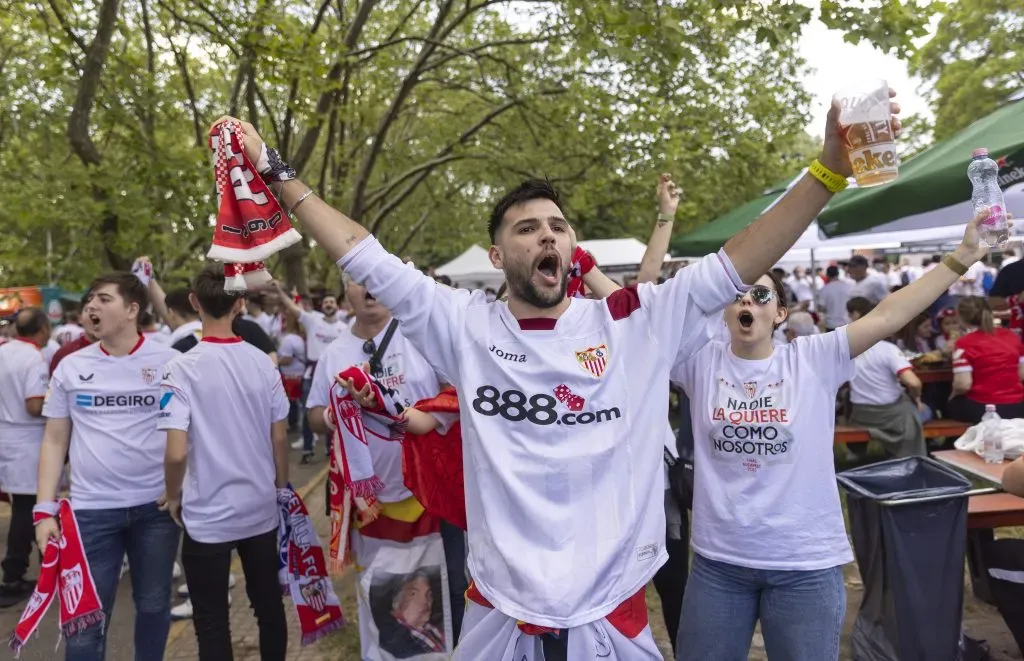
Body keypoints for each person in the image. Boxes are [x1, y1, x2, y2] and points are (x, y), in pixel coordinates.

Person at [213, 94, 895, 657]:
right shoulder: (464, 324)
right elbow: (364, 252)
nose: (548, 235)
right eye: (528, 226)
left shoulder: (634, 322)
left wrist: (827, 171)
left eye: (558, 226)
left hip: (612, 616)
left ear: (572, 250)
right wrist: (275, 169)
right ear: (497, 251)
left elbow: (743, 257)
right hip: (499, 614)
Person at [669, 211, 994, 661]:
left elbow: (889, 314)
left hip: (804, 566)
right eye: (737, 294)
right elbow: (641, 318)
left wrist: (963, 256)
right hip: (719, 566)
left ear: (780, 312)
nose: (748, 302)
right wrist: (590, 266)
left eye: (760, 294)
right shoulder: (698, 362)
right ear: (725, 308)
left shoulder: (813, 358)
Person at [305, 273, 465, 655]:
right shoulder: (335, 352)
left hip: (429, 493)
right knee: (378, 587)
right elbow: (312, 414)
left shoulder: (419, 335)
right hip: (369, 503)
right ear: (346, 290)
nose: (368, 289)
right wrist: (334, 414)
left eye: (372, 279)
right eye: (357, 281)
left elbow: (456, 390)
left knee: (444, 586)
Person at [36, 272, 180, 661]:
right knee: (85, 621)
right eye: (88, 301)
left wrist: (181, 487)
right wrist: (43, 510)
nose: (91, 307)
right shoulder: (70, 366)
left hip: (157, 510)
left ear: (132, 310)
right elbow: (54, 440)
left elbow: (189, 431)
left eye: (103, 299)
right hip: (90, 513)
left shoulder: (170, 360)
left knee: (153, 606)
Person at [158, 266, 290, 661]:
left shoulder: (179, 367)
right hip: (259, 510)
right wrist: (281, 490)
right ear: (240, 304)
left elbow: (176, 452)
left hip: (206, 516)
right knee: (268, 610)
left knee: (212, 620)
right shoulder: (263, 363)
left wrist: (171, 495)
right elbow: (279, 437)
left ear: (195, 302)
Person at [0, 308, 51, 606]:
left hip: (7, 439)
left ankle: (22, 570)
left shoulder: (4, 351)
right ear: (42, 328)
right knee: (28, 510)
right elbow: (34, 405)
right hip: (27, 442)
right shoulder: (33, 358)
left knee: (24, 507)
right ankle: (14, 574)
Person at [274, 282, 349, 458]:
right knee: (309, 412)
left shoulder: (345, 329)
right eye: (326, 302)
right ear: (321, 306)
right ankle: (308, 448)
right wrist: (279, 290)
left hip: (337, 376)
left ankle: (332, 448)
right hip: (312, 375)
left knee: (335, 413)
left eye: (332, 302)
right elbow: (292, 307)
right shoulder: (312, 321)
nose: (329, 304)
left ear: (337, 306)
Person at [846, 296, 926, 456]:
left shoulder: (848, 348)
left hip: (861, 414)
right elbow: (913, 382)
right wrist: (917, 398)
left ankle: (858, 452)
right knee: (926, 412)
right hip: (890, 414)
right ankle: (912, 456)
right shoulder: (888, 350)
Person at [948, 296, 1024, 423]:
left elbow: (963, 384)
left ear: (961, 318)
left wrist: (952, 395)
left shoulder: (964, 343)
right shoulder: (1012, 336)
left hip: (983, 406)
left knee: (948, 405)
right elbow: (1022, 374)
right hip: (1017, 406)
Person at [277, 311, 307, 432]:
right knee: (299, 403)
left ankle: (299, 428)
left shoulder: (289, 339)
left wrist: (273, 361)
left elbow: (287, 360)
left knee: (296, 403)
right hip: (301, 374)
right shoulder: (303, 337)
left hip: (292, 376)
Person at [817, 265, 853, 331]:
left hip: (832, 324)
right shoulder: (848, 286)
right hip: (847, 322)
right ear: (838, 274)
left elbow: (821, 307)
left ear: (827, 275)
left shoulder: (825, 289)